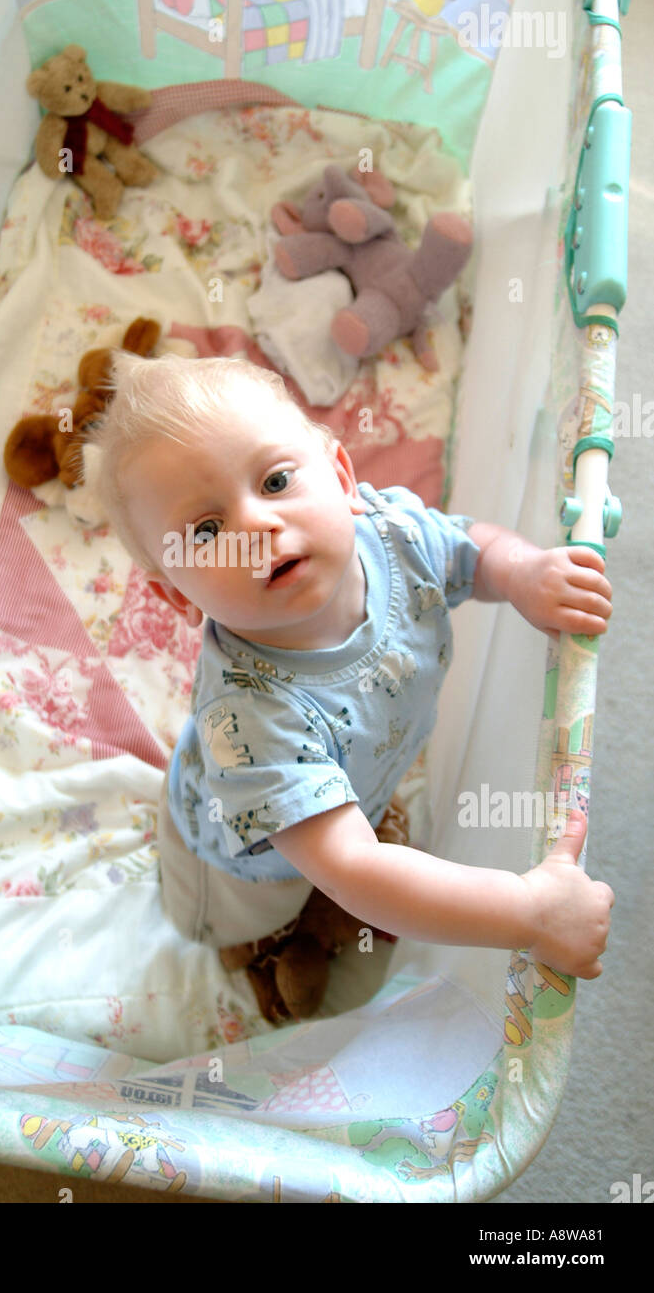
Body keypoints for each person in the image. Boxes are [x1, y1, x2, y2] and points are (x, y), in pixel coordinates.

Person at [90, 351, 614, 990]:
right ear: (176, 594)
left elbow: (473, 550)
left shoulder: (394, 532)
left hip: (353, 778)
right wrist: (530, 914)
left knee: (338, 858)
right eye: (206, 529)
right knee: (246, 916)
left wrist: (525, 570)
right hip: (235, 863)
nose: (256, 525)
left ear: (341, 478)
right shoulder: (253, 722)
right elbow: (356, 871)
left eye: (276, 482)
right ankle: (257, 950)